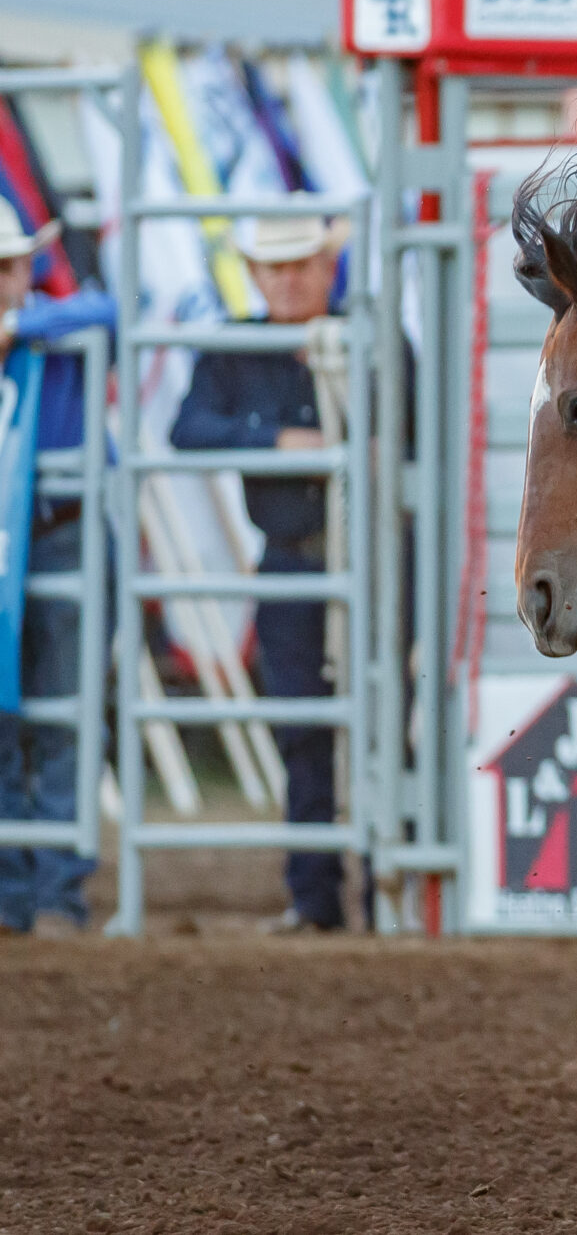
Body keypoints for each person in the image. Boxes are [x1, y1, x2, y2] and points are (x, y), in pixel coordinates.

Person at [170, 215, 353, 932]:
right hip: (291, 558)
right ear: (252, 275)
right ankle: (318, 896)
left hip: (368, 558)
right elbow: (187, 429)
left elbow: (409, 427)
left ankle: (391, 885)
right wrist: (276, 439)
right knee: (302, 725)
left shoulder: (366, 340)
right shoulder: (235, 346)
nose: (286, 279)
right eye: (273, 267)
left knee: (391, 717)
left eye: (299, 264)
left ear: (324, 268)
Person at [0, 200, 113, 936]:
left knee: (64, 713)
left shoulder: (52, 321)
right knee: (15, 721)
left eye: (7, 267)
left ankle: (54, 890)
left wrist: (20, 327)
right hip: (28, 538)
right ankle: (17, 889)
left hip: (60, 533)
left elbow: (107, 312)